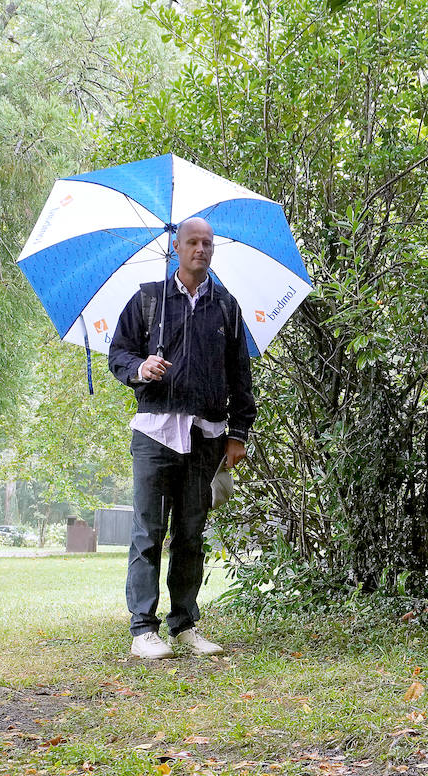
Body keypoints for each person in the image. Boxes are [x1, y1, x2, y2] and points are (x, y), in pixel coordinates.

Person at [108, 216, 255, 659]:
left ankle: (185, 625)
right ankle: (142, 630)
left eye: (208, 243)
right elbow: (118, 353)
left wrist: (238, 433)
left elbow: (240, 377)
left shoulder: (226, 307)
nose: (202, 249)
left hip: (206, 434)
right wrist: (140, 369)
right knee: (148, 532)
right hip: (155, 432)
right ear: (176, 246)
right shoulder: (148, 300)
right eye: (193, 242)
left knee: (191, 532)